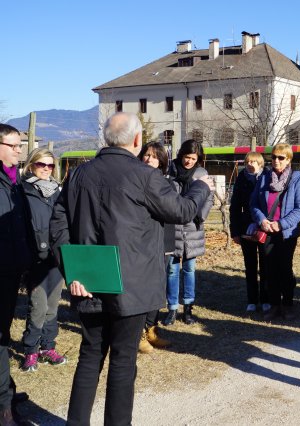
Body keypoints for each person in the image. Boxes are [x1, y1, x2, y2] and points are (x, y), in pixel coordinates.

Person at [49, 112, 211, 426]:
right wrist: (201, 187)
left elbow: (57, 225)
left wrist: (73, 272)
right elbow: (182, 211)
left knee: (90, 355)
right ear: (137, 140)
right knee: (123, 360)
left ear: (106, 139)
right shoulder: (144, 175)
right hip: (131, 284)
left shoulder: (78, 175)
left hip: (88, 280)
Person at [19, 148, 66, 372]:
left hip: (56, 258)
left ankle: (47, 347)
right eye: (41, 165)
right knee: (38, 306)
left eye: (50, 165)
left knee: (53, 305)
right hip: (34, 258)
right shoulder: (22, 190)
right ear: (31, 165)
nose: (46, 169)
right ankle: (30, 350)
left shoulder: (59, 191)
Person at [0, 124, 34, 426]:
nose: (19, 150)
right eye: (14, 145)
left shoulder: (14, 182)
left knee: (4, 335)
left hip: (12, 271)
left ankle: (6, 392)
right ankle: (3, 408)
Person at [250, 143, 300, 320]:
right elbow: (253, 204)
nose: (276, 160)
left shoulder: (297, 179)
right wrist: (262, 220)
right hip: (267, 230)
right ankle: (274, 305)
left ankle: (288, 304)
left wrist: (281, 224)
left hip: (286, 232)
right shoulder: (264, 177)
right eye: (273, 157)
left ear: (289, 159)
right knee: (269, 269)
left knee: (285, 268)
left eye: (281, 158)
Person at [163, 139, 214, 326]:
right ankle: (172, 308)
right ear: (181, 155)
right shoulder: (170, 172)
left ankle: (189, 307)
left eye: (193, 158)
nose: (189, 162)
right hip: (173, 226)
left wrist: (201, 216)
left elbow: (209, 198)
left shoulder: (202, 173)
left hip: (193, 227)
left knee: (190, 269)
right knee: (172, 270)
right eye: (186, 157)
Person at [136, 142, 174, 353]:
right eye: (146, 155)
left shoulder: (167, 182)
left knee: (160, 288)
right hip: (144, 242)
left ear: (161, 161)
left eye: (154, 156)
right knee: (145, 288)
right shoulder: (137, 180)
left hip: (164, 240)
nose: (149, 159)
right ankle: (139, 333)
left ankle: (152, 329)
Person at [230, 152, 268, 312]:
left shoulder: (268, 176)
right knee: (250, 265)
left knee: (266, 265)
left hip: (265, 225)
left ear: (261, 163)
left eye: (254, 161)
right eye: (248, 162)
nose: (251, 164)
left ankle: (266, 299)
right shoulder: (241, 178)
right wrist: (235, 231)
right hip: (246, 227)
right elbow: (235, 206)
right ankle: (252, 300)